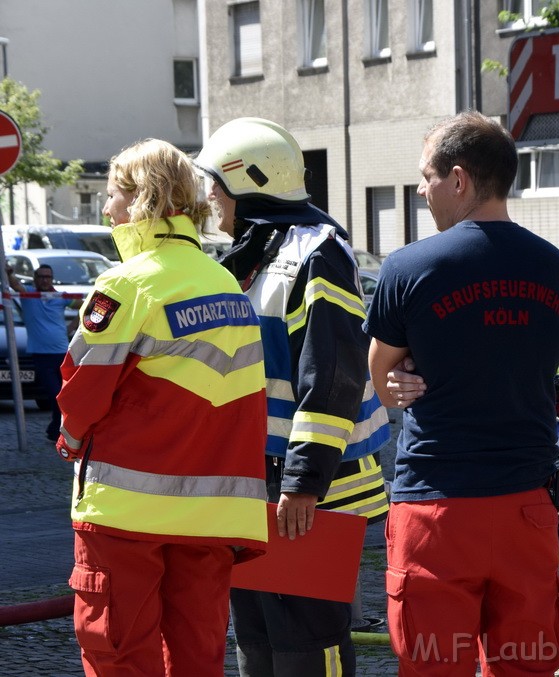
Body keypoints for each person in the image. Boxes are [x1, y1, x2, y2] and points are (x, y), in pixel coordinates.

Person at [364, 110, 559, 676]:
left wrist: (406, 371)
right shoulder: (556, 269)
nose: (420, 190)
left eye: (426, 177)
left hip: (437, 505)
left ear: (458, 179)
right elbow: (534, 362)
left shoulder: (409, 267)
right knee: (526, 665)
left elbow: (382, 380)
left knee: (434, 665)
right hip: (526, 505)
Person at [55, 138, 269, 676]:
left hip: (126, 516)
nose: (106, 211)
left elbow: (81, 395)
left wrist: (71, 443)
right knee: (197, 659)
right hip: (212, 515)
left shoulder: (125, 285)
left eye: (112, 197)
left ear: (141, 199)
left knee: (120, 655)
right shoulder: (226, 284)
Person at [194, 116, 390, 677]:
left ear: (248, 183)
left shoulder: (316, 253)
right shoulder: (252, 254)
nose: (210, 196)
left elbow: (332, 377)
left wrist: (304, 483)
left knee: (307, 645)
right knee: (256, 639)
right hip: (259, 485)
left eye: (217, 183)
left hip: (312, 495)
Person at [5, 263, 80, 441]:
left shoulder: (59, 296)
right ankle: (56, 430)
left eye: (48, 277)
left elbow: (85, 307)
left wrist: (72, 327)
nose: (45, 280)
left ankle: (55, 431)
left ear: (52, 279)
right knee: (55, 395)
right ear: (35, 278)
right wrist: (8, 273)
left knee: (64, 396)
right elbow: (15, 285)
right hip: (41, 355)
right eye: (41, 277)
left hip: (62, 353)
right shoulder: (29, 293)